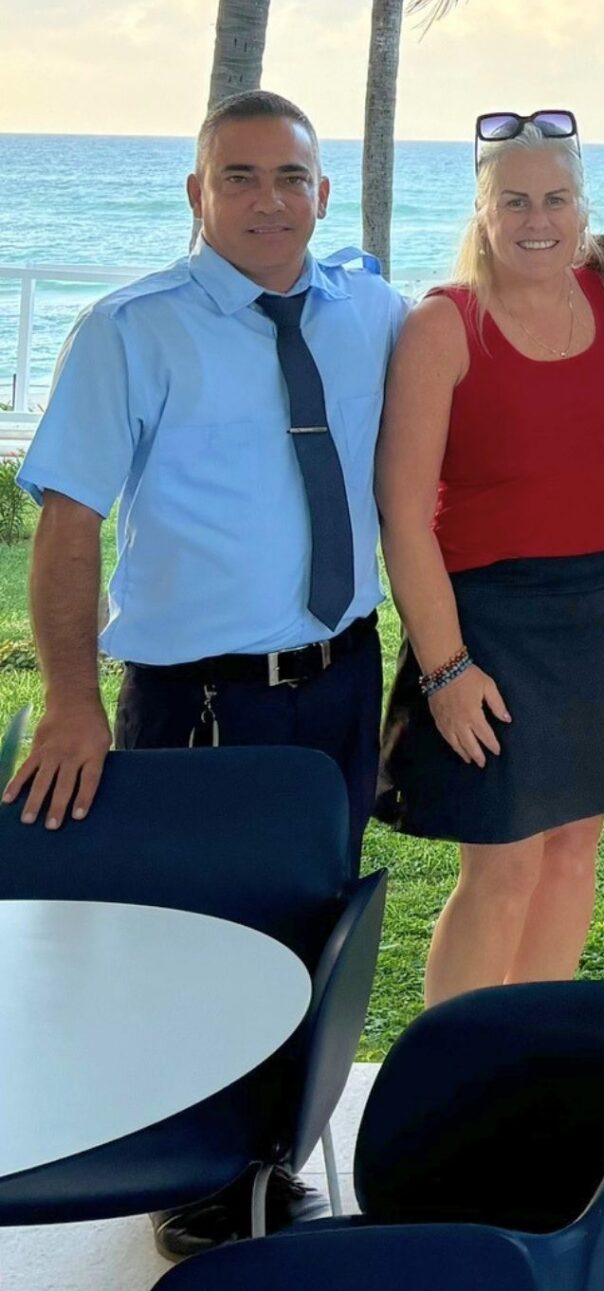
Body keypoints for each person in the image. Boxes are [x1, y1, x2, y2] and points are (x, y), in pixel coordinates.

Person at [1, 89, 407, 1258]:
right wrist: (70, 700)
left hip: (341, 674)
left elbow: (489, 319)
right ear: (197, 193)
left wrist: (594, 264)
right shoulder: (130, 330)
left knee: (312, 917)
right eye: (239, 176)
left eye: (290, 177)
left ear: (321, 193)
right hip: (198, 691)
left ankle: (269, 1161)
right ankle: (194, 1177)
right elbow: (69, 523)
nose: (267, 200)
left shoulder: (372, 310)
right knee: (194, 934)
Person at [374, 110, 604, 1007]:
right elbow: (402, 516)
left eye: (556, 198)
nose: (537, 218)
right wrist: (445, 668)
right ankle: (452, 1070)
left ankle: (531, 1055)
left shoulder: (602, 290)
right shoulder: (442, 324)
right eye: (515, 200)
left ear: (581, 206)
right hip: (492, 622)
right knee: (501, 868)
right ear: (482, 208)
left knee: (575, 849)